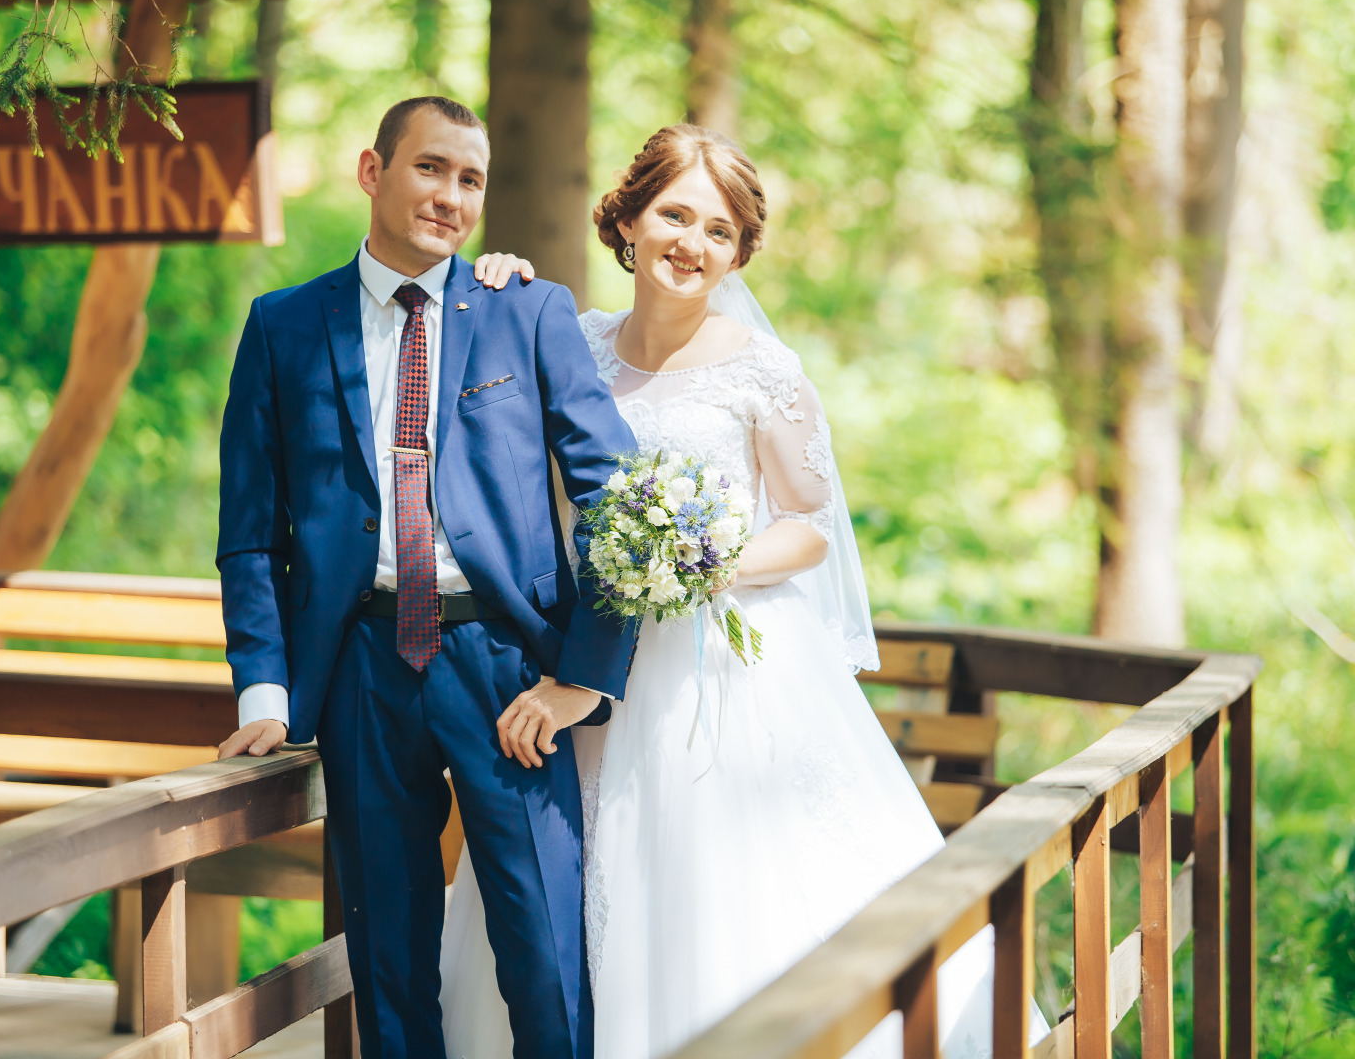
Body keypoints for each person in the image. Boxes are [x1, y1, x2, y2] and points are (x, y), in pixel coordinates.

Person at [440, 124, 1050, 1058]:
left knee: (723, 896)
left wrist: (699, 562)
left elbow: (809, 526)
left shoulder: (763, 371)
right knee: (565, 888)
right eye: (674, 215)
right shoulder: (571, 343)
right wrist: (497, 275)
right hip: (590, 661)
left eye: (719, 231)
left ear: (738, 253)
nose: (692, 243)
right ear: (629, 220)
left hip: (720, 668)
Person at [214, 95, 639, 1059]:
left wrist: (583, 672)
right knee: (389, 957)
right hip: (360, 666)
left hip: (506, 665)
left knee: (541, 944)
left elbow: (615, 500)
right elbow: (248, 532)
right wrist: (267, 684)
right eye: (429, 168)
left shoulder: (525, 311)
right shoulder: (282, 326)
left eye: (471, 180)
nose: (450, 196)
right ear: (373, 172)